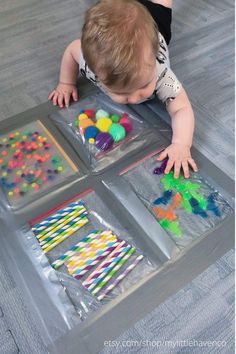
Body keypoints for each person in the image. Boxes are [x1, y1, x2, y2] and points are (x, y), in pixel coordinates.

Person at [48, 0, 198, 178]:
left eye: (143, 86)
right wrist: (66, 83)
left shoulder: (161, 74)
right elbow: (71, 51)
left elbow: (181, 107)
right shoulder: (90, 64)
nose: (135, 99)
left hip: (155, 18)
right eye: (122, 93)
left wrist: (181, 144)